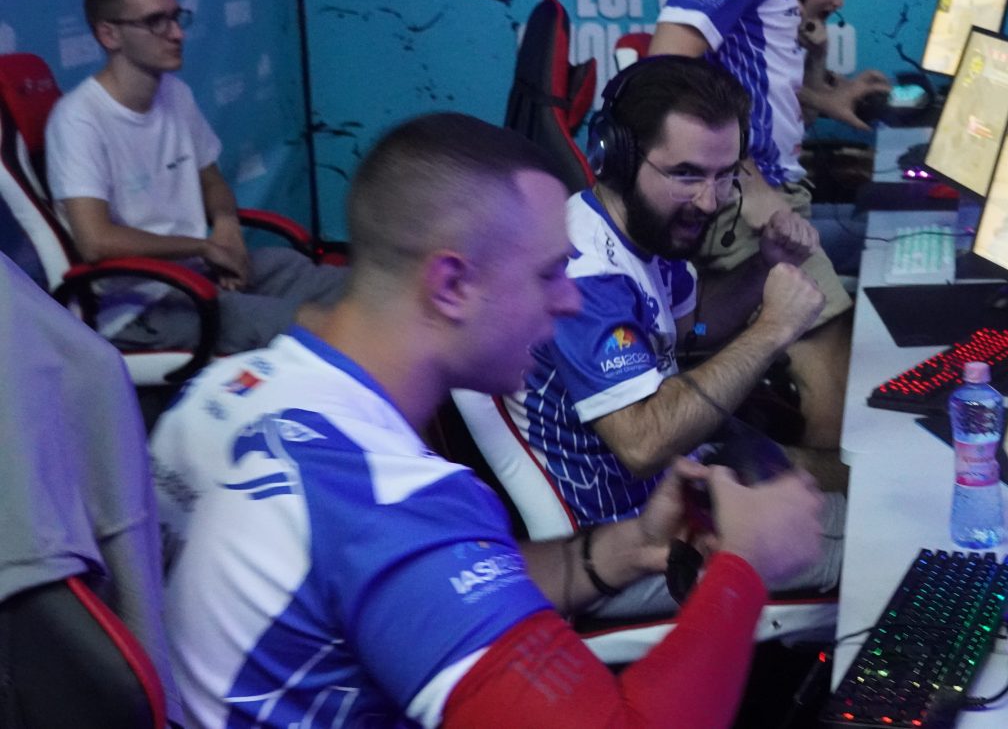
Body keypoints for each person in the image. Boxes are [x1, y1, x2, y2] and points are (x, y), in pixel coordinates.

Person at [149, 112, 827, 728]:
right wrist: (744, 568)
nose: (570, 301)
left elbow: (404, 599)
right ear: (451, 285)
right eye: (549, 274)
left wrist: (625, 547)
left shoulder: (228, 391)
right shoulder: (387, 501)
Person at [511, 56, 843, 617]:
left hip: (689, 491)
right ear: (615, 158)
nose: (711, 202)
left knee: (860, 480)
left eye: (724, 174)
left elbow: (692, 330)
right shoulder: (586, 276)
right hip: (629, 548)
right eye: (687, 175)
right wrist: (773, 329)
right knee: (878, 544)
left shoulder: (646, 232)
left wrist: (765, 265)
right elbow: (642, 444)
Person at [651, 0, 877, 452]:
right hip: (749, 203)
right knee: (833, 392)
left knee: (832, 373)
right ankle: (806, 508)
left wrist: (825, 99)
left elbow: (739, 73)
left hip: (760, 190)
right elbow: (666, 70)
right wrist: (747, 182)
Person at [45, 0, 344, 355]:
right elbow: (96, 242)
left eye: (176, 17)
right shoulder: (78, 119)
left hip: (198, 273)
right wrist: (202, 247)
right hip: (141, 306)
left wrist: (225, 225)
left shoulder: (176, 94)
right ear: (109, 34)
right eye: (156, 22)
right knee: (311, 325)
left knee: (323, 278)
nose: (177, 33)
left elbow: (211, 180)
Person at [792, 0, 891, 131]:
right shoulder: (765, 32)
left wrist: (844, 86)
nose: (839, 3)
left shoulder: (808, 30)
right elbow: (805, 117)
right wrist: (826, 102)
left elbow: (807, 90)